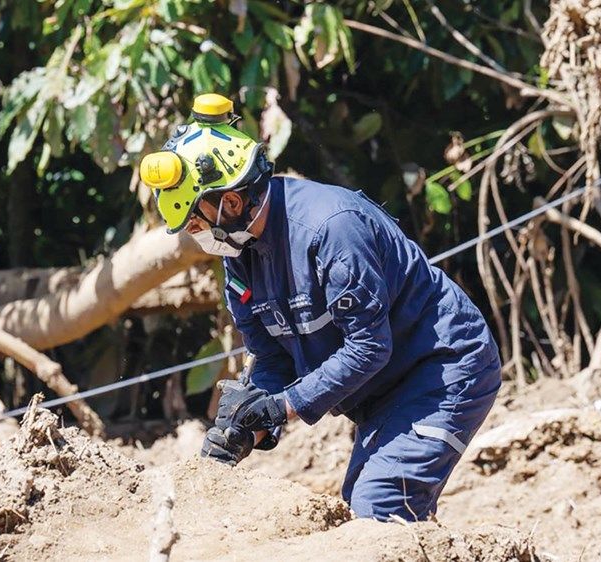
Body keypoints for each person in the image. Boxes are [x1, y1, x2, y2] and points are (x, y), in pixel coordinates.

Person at [138, 93, 501, 522]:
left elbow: (368, 347)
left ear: (231, 203)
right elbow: (273, 358)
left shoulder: (332, 230)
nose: (194, 236)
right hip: (381, 390)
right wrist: (247, 427)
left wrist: (284, 406)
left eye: (196, 223)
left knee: (380, 503)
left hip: (443, 370)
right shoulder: (239, 259)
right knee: (363, 507)